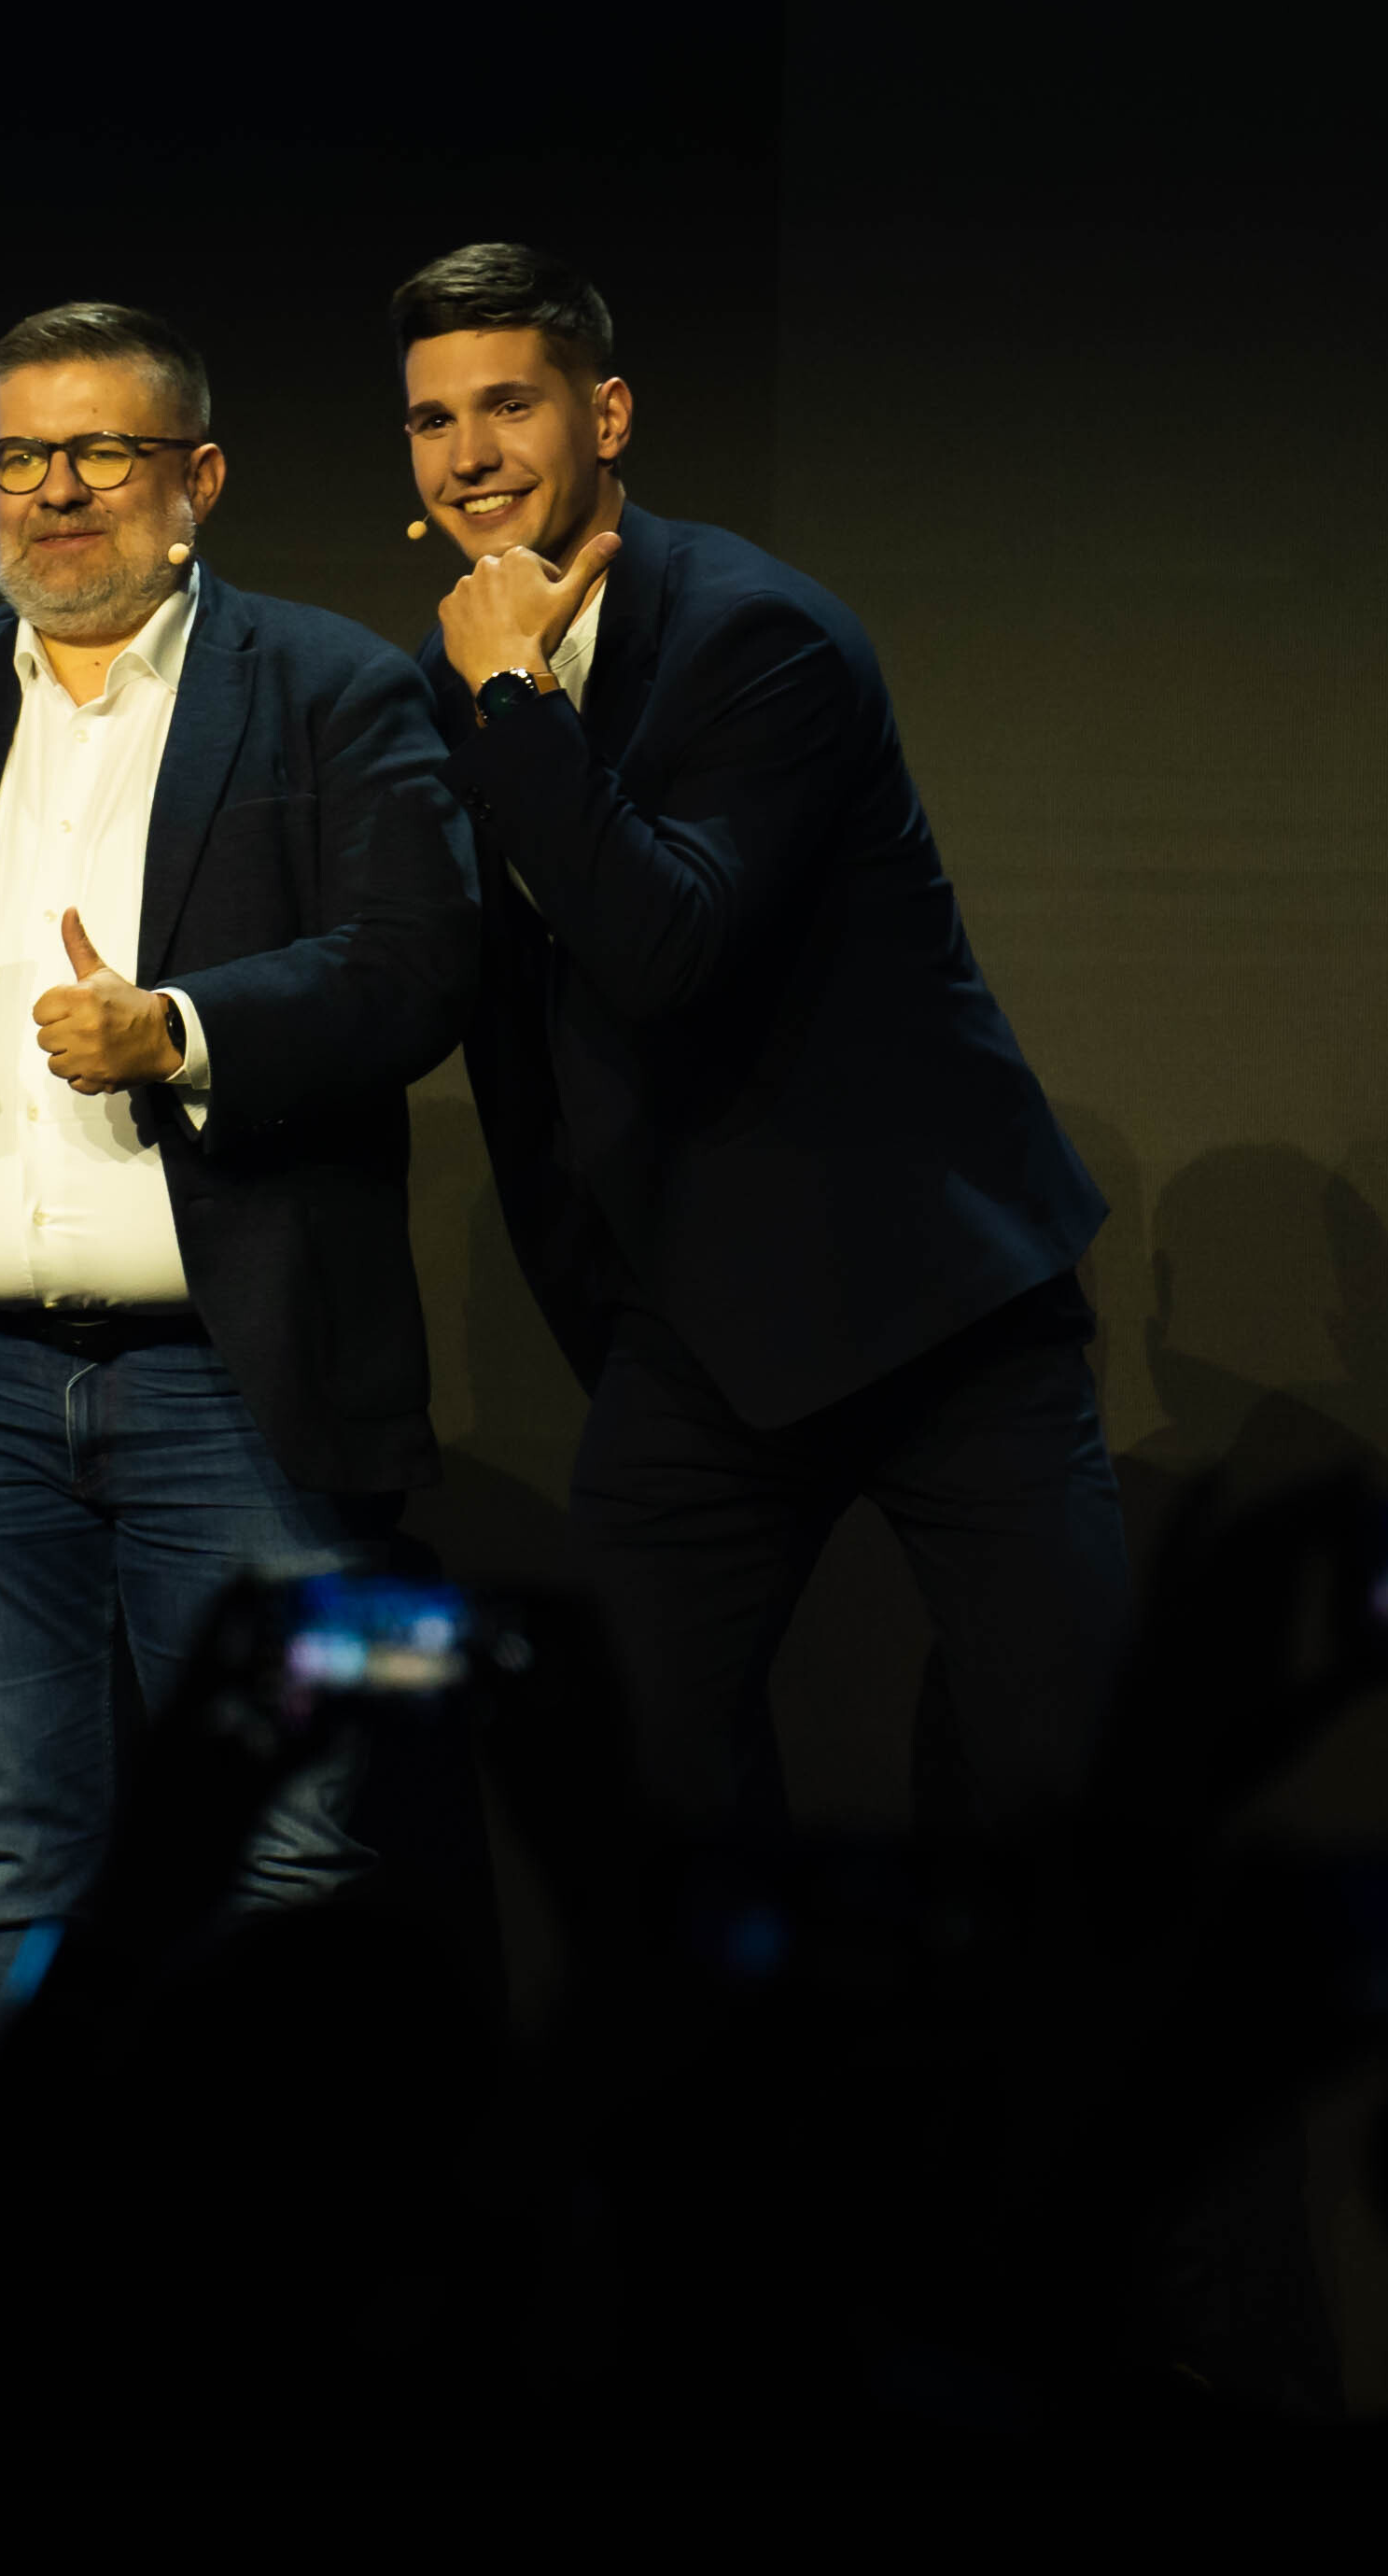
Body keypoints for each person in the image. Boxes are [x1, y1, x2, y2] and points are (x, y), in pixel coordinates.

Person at [0, 302, 473, 2019]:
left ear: (198, 477)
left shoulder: (327, 685)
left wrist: (180, 1029)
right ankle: (26, 2200)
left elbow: (417, 962)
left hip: (239, 1381)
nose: (55, 489)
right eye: (20, 453)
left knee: (287, 1862)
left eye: (102, 451)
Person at [388, 241, 1123, 1837]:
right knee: (637, 1769)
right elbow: (484, 998)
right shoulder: (449, 682)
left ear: (607, 415)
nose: (469, 455)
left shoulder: (756, 635)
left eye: (509, 405)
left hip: (934, 1299)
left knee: (1049, 1770)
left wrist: (510, 691)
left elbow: (665, 948)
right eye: (434, 420)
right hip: (700, 1325)